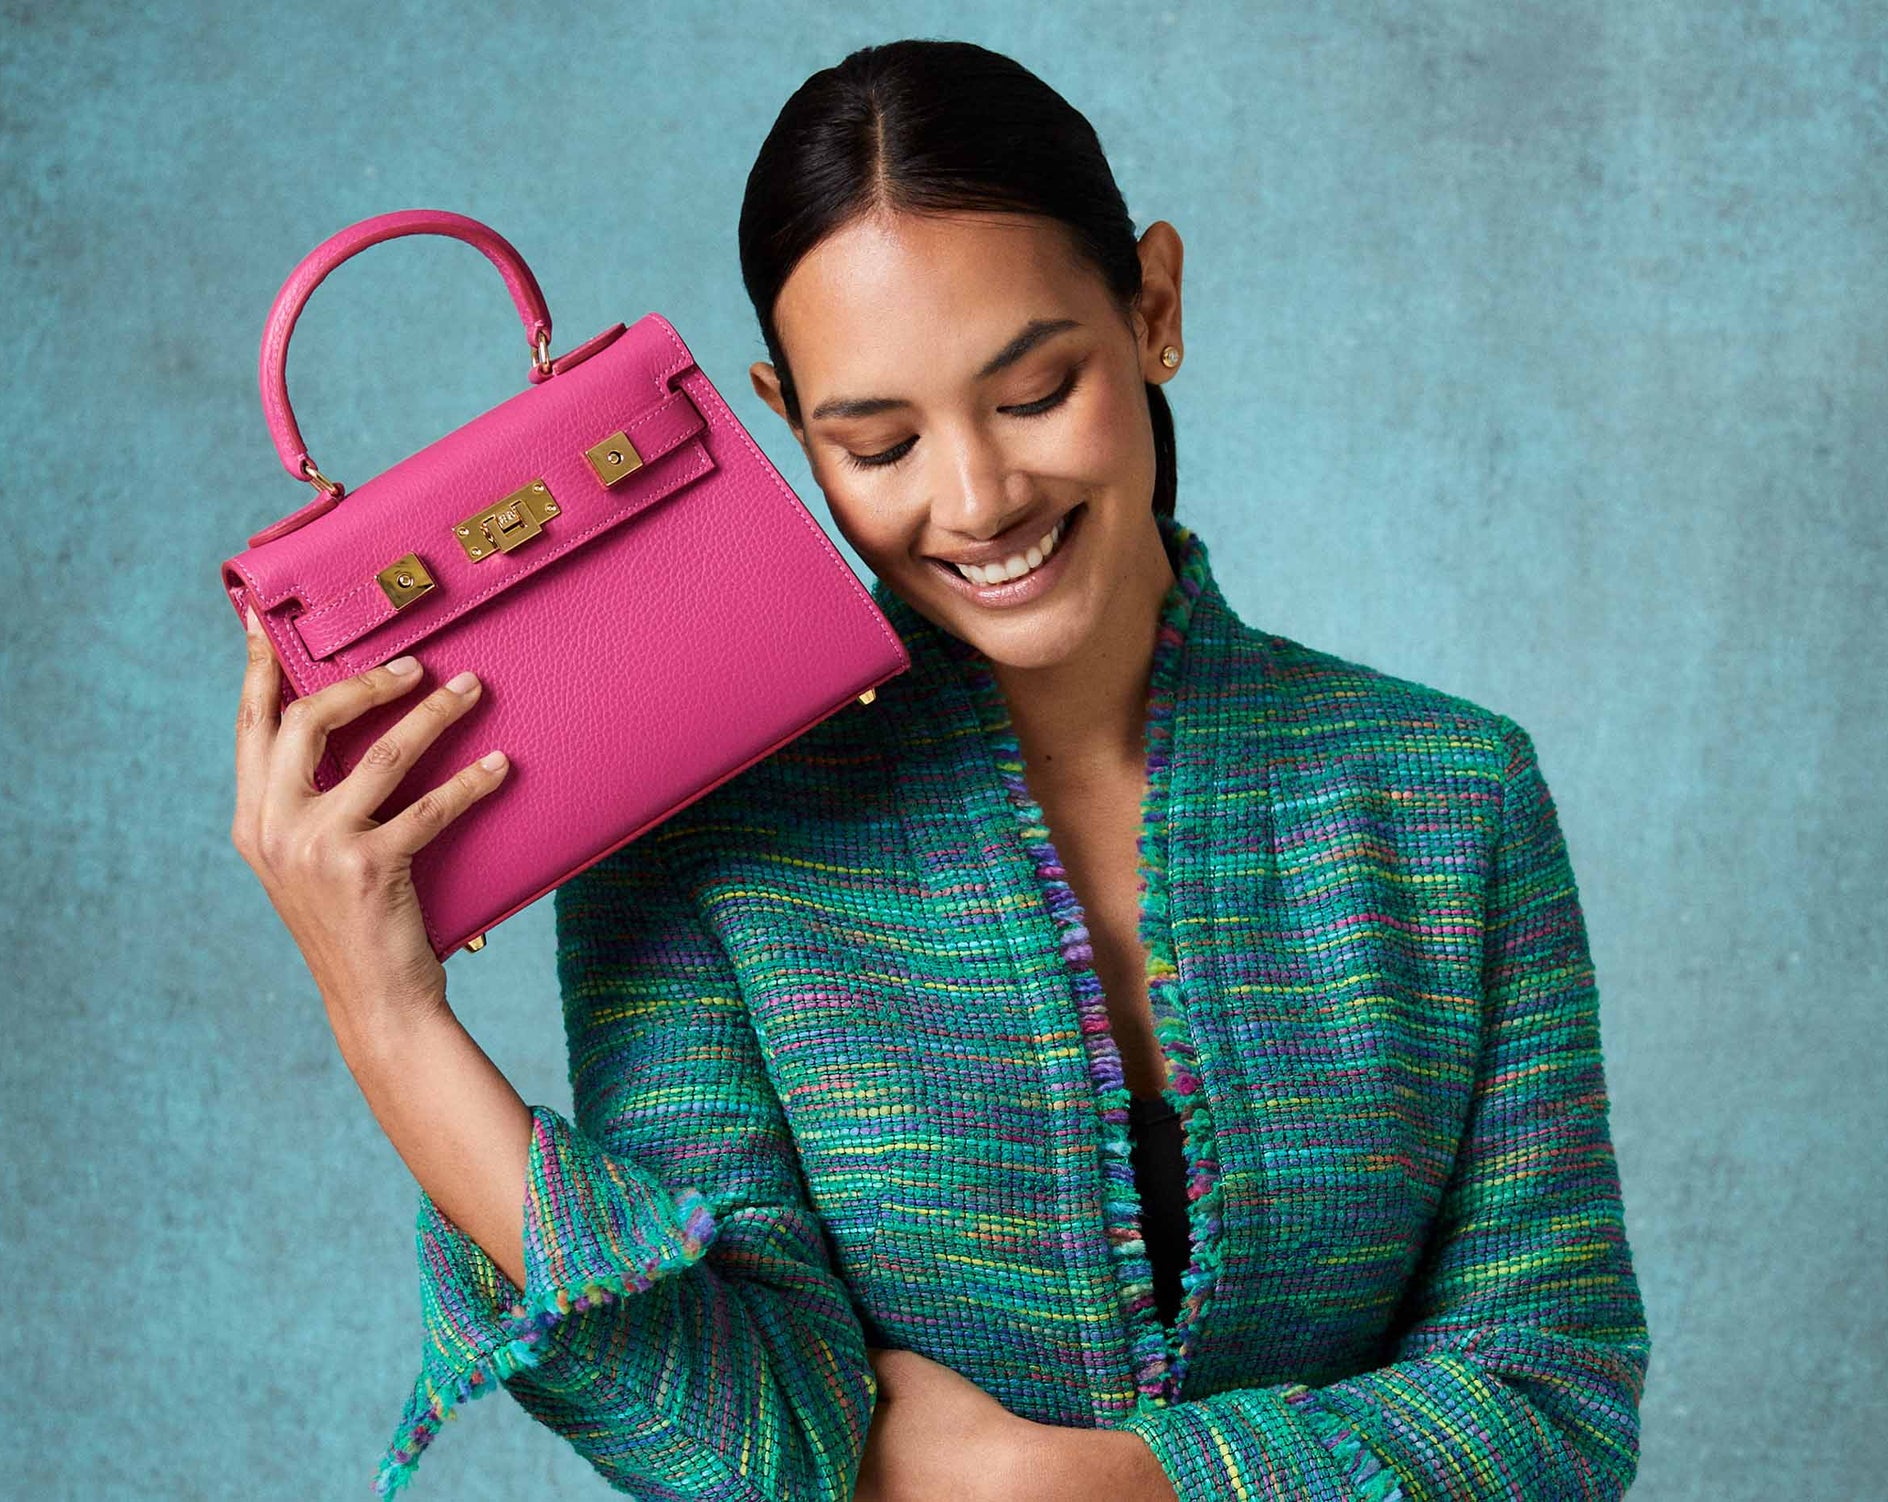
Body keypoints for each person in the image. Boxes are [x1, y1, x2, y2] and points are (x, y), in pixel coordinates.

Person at [231, 38, 1648, 1502]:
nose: (975, 499)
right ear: (785, 421)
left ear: (1152, 306)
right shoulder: (706, 840)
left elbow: (1554, 1401)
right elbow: (751, 1445)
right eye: (881, 440)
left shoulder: (1450, 797)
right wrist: (387, 1019)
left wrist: (1079, 1484)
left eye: (1035, 392)